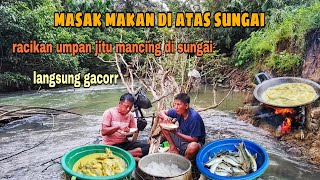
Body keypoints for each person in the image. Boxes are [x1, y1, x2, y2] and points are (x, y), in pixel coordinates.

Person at [101, 93, 150, 161]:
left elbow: (132, 133)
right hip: (111, 145)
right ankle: (129, 156)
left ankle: (121, 155)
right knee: (142, 155)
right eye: (126, 106)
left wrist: (128, 132)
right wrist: (118, 127)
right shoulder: (109, 113)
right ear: (119, 103)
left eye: (130, 107)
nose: (128, 109)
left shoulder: (130, 115)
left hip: (124, 143)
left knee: (148, 148)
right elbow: (104, 131)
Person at [159, 93, 206, 160]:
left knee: (193, 146)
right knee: (162, 121)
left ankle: (184, 160)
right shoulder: (178, 111)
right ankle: (173, 148)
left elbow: (194, 139)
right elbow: (161, 113)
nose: (176, 107)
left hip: (192, 143)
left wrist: (176, 133)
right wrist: (166, 117)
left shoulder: (194, 118)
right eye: (175, 104)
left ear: (186, 106)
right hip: (182, 136)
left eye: (178, 104)